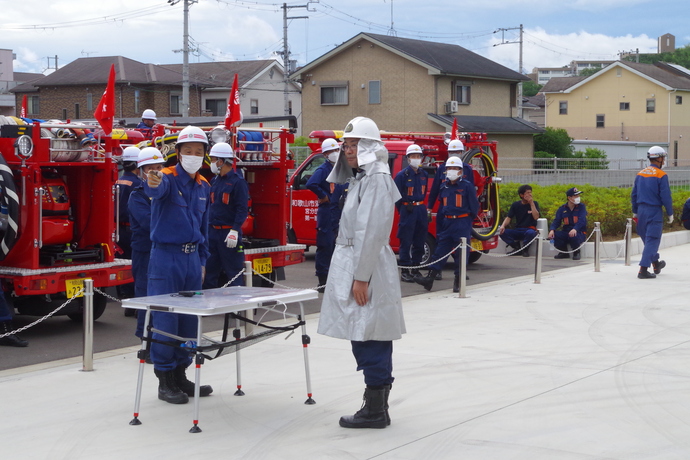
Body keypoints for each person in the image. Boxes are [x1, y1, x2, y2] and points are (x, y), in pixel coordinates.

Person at [318, 116, 405, 429]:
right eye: (347, 144)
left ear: (369, 146)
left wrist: (360, 277)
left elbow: (371, 230)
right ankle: (374, 405)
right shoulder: (362, 177)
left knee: (370, 334)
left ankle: (376, 408)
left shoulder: (377, 178)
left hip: (364, 265)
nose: (349, 150)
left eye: (355, 145)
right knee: (362, 331)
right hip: (355, 262)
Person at [145, 125, 213, 404]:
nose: (193, 155)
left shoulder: (204, 186)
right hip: (165, 257)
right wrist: (153, 180)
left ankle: (182, 375)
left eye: (199, 151)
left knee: (189, 319)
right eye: (188, 151)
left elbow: (204, 225)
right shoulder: (168, 178)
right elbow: (155, 187)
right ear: (178, 153)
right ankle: (165, 379)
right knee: (165, 318)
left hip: (192, 258)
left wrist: (203, 259)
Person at [415, 156, 479, 293]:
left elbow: (474, 207)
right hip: (447, 222)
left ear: (461, 171)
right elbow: (442, 205)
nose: (451, 171)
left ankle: (458, 280)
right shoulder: (443, 186)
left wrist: (466, 222)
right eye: (449, 168)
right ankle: (430, 278)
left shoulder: (467, 186)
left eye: (454, 168)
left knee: (461, 253)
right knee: (440, 251)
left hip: (462, 222)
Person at [128, 147, 165, 339]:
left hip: (164, 251)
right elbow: (149, 222)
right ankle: (146, 341)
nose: (155, 172)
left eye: (158, 167)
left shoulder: (167, 192)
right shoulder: (137, 196)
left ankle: (162, 338)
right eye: (150, 168)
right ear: (141, 171)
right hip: (144, 252)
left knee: (164, 296)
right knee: (145, 295)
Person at [202, 142, 249, 289]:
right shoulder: (214, 181)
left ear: (221, 161)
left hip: (229, 234)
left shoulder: (237, 182)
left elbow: (242, 209)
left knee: (234, 272)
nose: (212, 163)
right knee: (209, 272)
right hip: (213, 232)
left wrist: (235, 230)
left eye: (213, 159)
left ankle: (236, 311)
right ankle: (208, 306)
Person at [427, 139, 474, 279]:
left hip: (461, 214)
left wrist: (468, 217)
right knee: (442, 241)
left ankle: (460, 273)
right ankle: (436, 271)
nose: (454, 154)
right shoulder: (442, 168)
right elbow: (436, 188)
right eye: (451, 151)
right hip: (445, 210)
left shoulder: (467, 169)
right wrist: (429, 207)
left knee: (462, 244)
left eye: (457, 151)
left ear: (462, 152)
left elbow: (471, 193)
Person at [631, 146, 674, 279]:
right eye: (664, 158)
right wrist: (670, 212)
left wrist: (635, 212)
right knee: (652, 240)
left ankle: (655, 263)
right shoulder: (661, 175)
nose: (664, 160)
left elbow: (634, 194)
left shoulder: (641, 173)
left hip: (641, 211)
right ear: (660, 158)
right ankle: (643, 270)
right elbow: (665, 196)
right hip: (654, 211)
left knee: (648, 240)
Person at [306, 138, 341, 291]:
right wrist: (322, 195)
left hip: (338, 211)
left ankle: (335, 278)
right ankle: (323, 280)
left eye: (336, 150)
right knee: (325, 245)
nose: (335, 154)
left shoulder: (340, 168)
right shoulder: (323, 169)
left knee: (337, 246)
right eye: (331, 152)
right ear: (325, 155)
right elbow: (311, 183)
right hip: (327, 211)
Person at [394, 144, 429, 283]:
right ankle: (405, 270)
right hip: (407, 209)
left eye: (418, 156)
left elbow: (424, 192)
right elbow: (396, 196)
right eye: (413, 156)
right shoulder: (402, 175)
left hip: (420, 209)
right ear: (408, 159)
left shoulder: (423, 174)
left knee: (420, 241)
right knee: (406, 241)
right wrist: (403, 208)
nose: (416, 159)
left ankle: (415, 269)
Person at [116, 146, 141, 312]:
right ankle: (134, 305)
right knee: (136, 267)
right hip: (133, 231)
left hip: (119, 231)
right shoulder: (138, 184)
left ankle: (126, 300)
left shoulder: (117, 181)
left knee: (123, 267)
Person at [498, 184, 540, 257]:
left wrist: (531, 204)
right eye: (527, 193)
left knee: (531, 233)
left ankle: (525, 249)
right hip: (518, 229)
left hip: (529, 229)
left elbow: (536, 217)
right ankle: (516, 248)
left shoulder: (534, 203)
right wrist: (503, 226)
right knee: (501, 232)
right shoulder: (516, 205)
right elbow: (509, 217)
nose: (530, 194)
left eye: (530, 192)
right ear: (521, 195)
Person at [548, 187, 588, 260]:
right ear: (569, 198)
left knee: (574, 235)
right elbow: (557, 221)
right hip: (566, 231)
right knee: (557, 235)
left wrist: (575, 229)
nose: (578, 198)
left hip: (579, 231)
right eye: (576, 196)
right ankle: (563, 252)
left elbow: (582, 220)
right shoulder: (562, 209)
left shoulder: (581, 207)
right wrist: (552, 230)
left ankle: (576, 252)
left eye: (578, 196)